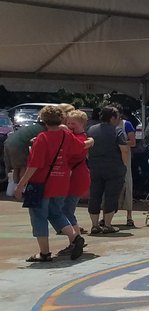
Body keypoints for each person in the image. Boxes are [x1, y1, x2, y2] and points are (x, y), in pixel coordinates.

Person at [13, 105, 87, 263]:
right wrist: (91, 140)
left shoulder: (42, 138)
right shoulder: (66, 136)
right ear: (61, 119)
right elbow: (81, 147)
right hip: (61, 182)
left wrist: (20, 185)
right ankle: (75, 237)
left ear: (43, 120)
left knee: (38, 217)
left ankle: (44, 253)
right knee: (56, 213)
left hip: (40, 183)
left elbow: (34, 165)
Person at [86, 105, 129, 235]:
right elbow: (124, 150)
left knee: (95, 195)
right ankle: (107, 224)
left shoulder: (91, 129)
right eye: (118, 117)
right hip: (114, 167)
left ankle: (94, 225)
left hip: (95, 166)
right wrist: (124, 165)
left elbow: (87, 148)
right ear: (112, 118)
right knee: (111, 195)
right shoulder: (117, 131)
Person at [61, 108, 93, 254]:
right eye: (68, 123)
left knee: (67, 210)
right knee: (67, 210)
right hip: (72, 178)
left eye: (73, 123)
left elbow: (76, 148)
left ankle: (76, 241)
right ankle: (75, 240)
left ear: (82, 124)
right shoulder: (78, 137)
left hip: (77, 178)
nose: (69, 126)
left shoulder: (80, 138)